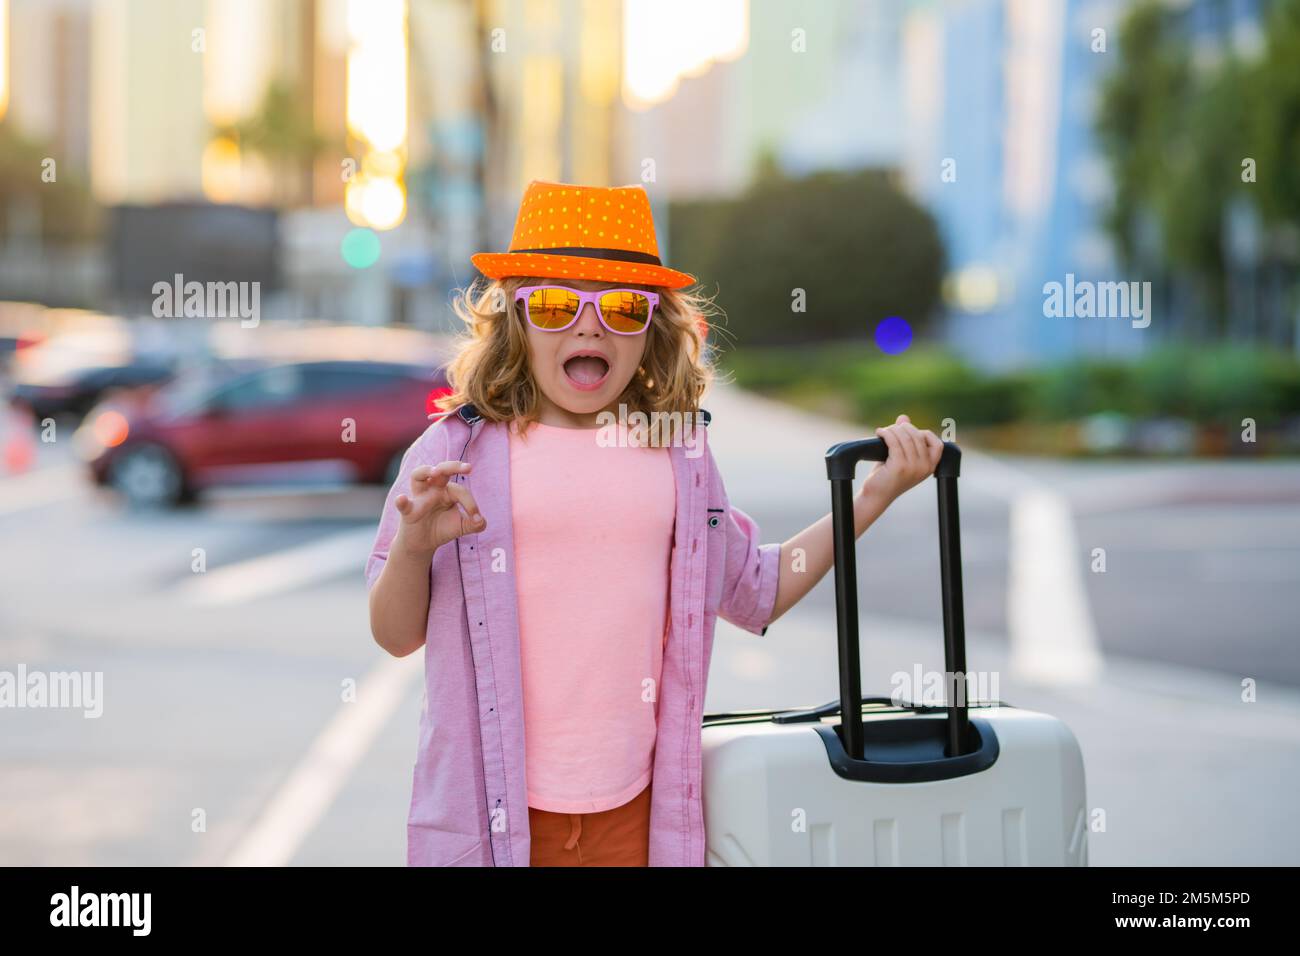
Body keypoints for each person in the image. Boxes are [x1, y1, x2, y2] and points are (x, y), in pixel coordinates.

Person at [366, 179, 943, 867]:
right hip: (488, 815)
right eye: (552, 304)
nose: (589, 326)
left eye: (621, 306)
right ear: (516, 321)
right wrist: (412, 548)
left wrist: (871, 497)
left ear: (653, 327)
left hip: (637, 817)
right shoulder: (451, 455)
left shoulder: (681, 457)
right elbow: (395, 635)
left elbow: (757, 589)